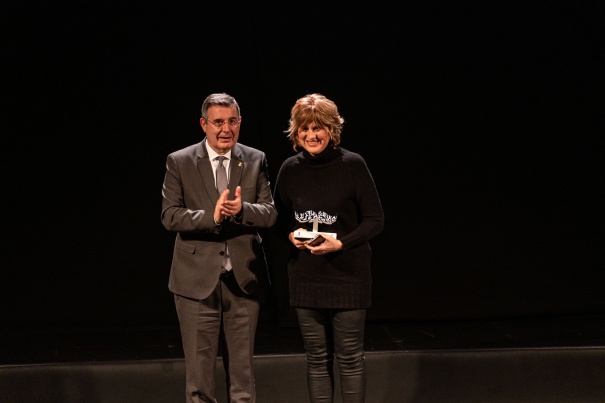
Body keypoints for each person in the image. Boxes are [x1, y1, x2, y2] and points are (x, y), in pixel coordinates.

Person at [161, 93, 277, 403]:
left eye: (232, 122)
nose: (226, 129)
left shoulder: (255, 158)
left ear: (240, 123)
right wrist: (210, 216)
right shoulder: (180, 160)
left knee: (243, 381)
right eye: (218, 122)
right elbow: (169, 215)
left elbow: (270, 212)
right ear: (204, 124)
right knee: (199, 383)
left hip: (242, 281)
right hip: (195, 282)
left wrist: (242, 210)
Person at [273, 94, 384, 403]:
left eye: (318, 127)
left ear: (332, 129)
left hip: (348, 276)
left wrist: (341, 243)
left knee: (349, 359)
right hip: (306, 277)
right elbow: (276, 220)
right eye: (305, 128)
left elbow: (376, 220)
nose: (312, 135)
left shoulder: (352, 165)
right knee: (317, 360)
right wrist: (290, 236)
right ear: (296, 132)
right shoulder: (290, 169)